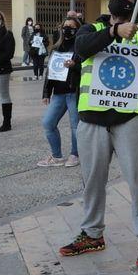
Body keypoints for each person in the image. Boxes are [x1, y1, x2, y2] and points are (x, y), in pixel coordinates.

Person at [60, 0, 138, 268]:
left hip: (128, 119)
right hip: (92, 120)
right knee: (92, 181)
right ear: (109, 5)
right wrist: (112, 33)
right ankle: (92, 234)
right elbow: (82, 48)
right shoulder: (91, 28)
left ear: (136, 5)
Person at [38, 18, 81, 168]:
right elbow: (50, 71)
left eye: (71, 26)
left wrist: (75, 65)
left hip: (74, 91)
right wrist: (46, 93)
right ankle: (57, 156)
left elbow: (87, 68)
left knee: (75, 126)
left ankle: (75, 154)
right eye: (65, 26)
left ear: (77, 29)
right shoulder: (56, 47)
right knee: (48, 123)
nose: (67, 28)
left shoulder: (80, 47)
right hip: (58, 93)